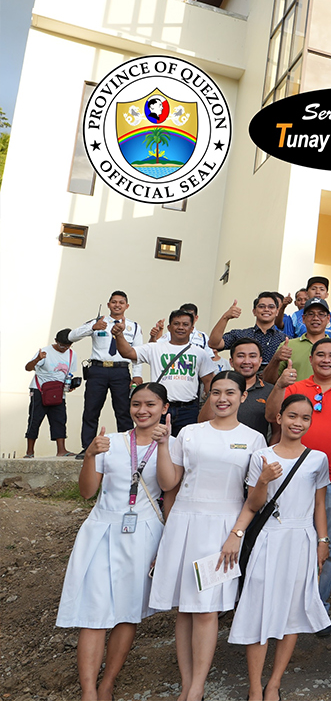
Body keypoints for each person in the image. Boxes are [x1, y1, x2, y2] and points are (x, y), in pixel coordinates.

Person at [151, 371, 267, 701]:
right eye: (216, 392)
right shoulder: (189, 433)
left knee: (206, 608)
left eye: (230, 392)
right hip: (184, 523)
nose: (222, 399)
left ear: (243, 397)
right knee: (185, 609)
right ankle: (189, 685)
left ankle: (198, 685)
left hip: (223, 529)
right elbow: (168, 482)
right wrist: (163, 445)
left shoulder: (254, 439)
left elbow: (253, 498)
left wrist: (236, 534)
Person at [60, 383, 168, 701]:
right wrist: (90, 456)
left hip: (143, 536)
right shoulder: (112, 442)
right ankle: (89, 691)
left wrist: (165, 547)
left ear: (164, 407)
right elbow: (86, 492)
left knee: (127, 612)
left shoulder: (173, 446)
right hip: (102, 530)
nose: (142, 410)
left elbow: (170, 490)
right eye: (136, 404)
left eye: (150, 404)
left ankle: (108, 684)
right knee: (93, 614)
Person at [227, 393, 330, 701]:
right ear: (280, 418)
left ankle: (274, 683)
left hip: (301, 538)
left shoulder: (317, 459)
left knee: (292, 611)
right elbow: (253, 504)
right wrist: (263, 480)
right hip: (269, 537)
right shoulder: (262, 456)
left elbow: (320, 506)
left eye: (305, 418)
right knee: (258, 606)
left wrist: (323, 541)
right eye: (292, 416)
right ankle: (255, 686)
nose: (298, 423)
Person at [266, 339, 331, 634]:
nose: (326, 360)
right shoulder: (297, 387)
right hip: (293, 480)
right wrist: (279, 386)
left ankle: (317, 607)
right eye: (320, 355)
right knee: (289, 542)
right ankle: (284, 607)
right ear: (310, 359)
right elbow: (270, 414)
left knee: (329, 545)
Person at [115, 309, 218, 434]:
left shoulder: (200, 353)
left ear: (192, 328)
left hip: (188, 409)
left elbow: (209, 382)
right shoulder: (154, 348)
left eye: (185, 324)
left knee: (184, 446)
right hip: (159, 408)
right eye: (176, 323)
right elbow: (128, 352)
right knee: (155, 445)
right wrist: (119, 335)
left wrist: (210, 408)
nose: (180, 327)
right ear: (169, 327)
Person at [71, 291, 145, 451]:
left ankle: (127, 448)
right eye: (114, 302)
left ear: (127, 306)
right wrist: (92, 327)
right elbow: (72, 336)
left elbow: (137, 352)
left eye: (121, 302)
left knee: (124, 411)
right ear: (108, 304)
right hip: (98, 371)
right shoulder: (98, 321)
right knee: (91, 410)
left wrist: (137, 375)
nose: (117, 305)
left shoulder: (134, 326)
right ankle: (88, 448)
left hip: (121, 372)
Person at [263, 299, 331, 387]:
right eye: (310, 314)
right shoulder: (287, 346)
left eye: (321, 314)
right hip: (293, 400)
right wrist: (276, 359)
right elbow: (268, 381)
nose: (315, 318)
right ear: (303, 318)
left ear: (328, 318)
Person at [199, 338, 272, 437]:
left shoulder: (270, 391)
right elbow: (203, 422)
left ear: (260, 361)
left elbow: (276, 431)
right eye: (241, 356)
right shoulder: (219, 389)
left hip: (254, 449)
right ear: (231, 362)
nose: (247, 361)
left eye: (252, 356)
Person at [25, 329, 78, 458]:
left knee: (60, 420)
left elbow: (69, 374)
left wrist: (70, 386)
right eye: (61, 345)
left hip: (58, 391)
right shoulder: (45, 352)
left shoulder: (72, 354)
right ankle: (30, 452)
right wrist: (37, 359)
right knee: (35, 419)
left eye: (68, 346)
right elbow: (28, 368)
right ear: (56, 341)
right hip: (40, 390)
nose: (64, 348)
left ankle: (62, 450)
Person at [209, 293, 289, 364]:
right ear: (254, 311)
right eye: (261, 306)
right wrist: (225, 317)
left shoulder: (285, 340)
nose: (266, 309)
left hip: (275, 381)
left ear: (277, 312)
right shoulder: (240, 335)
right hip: (242, 380)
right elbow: (214, 344)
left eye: (271, 307)